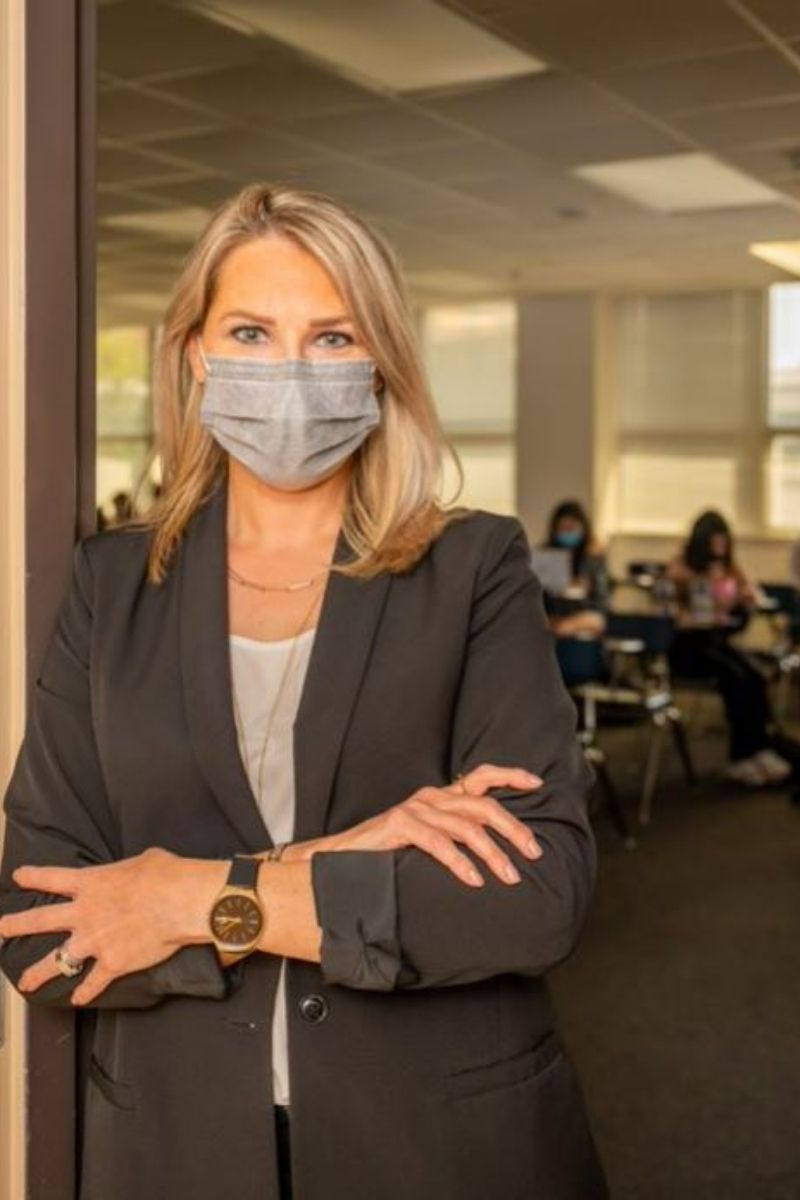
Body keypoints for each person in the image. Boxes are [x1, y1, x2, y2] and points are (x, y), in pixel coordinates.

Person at [0, 183, 606, 1200]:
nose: (289, 369)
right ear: (196, 353)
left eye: (331, 337)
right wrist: (343, 857)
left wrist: (184, 899)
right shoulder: (111, 586)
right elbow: (39, 929)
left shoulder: (469, 568)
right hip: (176, 1148)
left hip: (437, 1144)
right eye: (250, 329)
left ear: (378, 365)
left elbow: (531, 896)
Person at [667, 509, 792, 788]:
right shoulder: (680, 567)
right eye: (715, 542)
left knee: (754, 676)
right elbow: (675, 612)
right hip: (688, 647)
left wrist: (744, 596)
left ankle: (757, 748)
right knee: (736, 679)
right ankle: (740, 757)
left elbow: (744, 596)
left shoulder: (729, 566)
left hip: (715, 641)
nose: (720, 549)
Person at [543, 499, 609, 641]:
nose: (567, 532)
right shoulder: (547, 554)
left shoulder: (593, 556)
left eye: (571, 528)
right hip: (554, 614)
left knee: (591, 622)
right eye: (563, 528)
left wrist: (584, 586)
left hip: (584, 615)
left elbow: (601, 601)